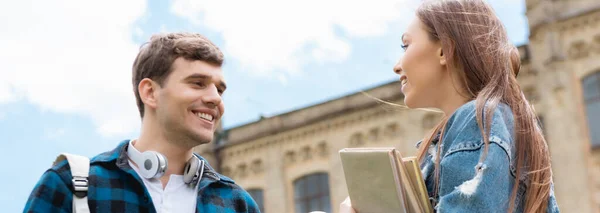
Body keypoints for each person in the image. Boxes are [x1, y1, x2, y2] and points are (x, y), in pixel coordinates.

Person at [340, 0, 560, 212]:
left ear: (444, 50)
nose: (397, 66)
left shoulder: (479, 119)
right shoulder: (490, 122)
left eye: (405, 45)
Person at [24, 33, 261, 213]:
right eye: (197, 83)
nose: (215, 98)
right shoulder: (70, 185)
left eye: (219, 89)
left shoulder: (238, 203)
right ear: (150, 92)